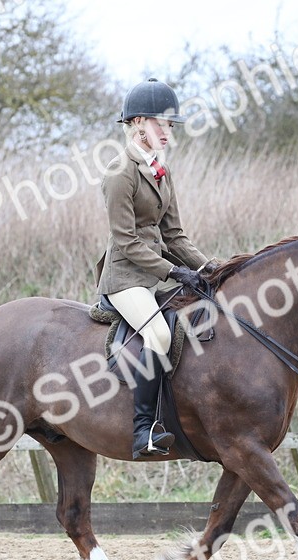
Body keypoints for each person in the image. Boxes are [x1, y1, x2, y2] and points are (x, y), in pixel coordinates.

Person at [94, 78, 218, 460]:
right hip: (126, 277)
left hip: (156, 272)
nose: (168, 132)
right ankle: (143, 430)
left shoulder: (161, 170)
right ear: (137, 124)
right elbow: (127, 241)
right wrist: (172, 271)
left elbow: (175, 235)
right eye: (161, 124)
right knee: (160, 337)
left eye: (171, 126)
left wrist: (213, 268)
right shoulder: (120, 173)